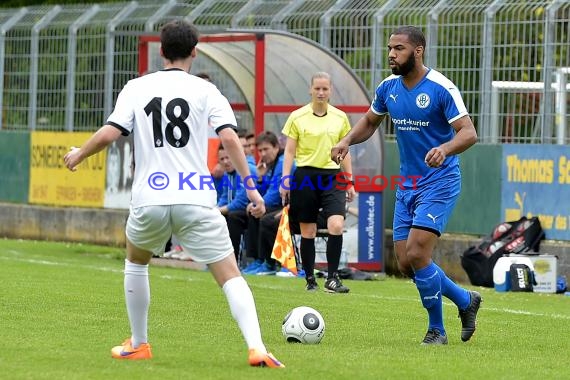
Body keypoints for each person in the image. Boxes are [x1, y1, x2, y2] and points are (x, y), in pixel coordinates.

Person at [63, 20, 284, 368]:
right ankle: (256, 346)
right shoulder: (206, 91)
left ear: (161, 52)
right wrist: (252, 189)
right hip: (195, 197)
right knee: (229, 274)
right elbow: (229, 138)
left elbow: (110, 133)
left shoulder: (137, 87)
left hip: (150, 197)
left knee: (136, 262)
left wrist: (79, 154)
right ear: (194, 51)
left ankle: (139, 343)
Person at [331, 26, 481, 345]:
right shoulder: (388, 88)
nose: (391, 54)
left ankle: (436, 330)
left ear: (417, 51)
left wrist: (445, 149)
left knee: (416, 252)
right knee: (405, 263)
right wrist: (346, 140)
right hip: (407, 184)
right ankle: (466, 301)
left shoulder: (441, 88)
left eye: (398, 48)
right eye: (389, 48)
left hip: (439, 182)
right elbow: (371, 122)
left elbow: (469, 133)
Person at [280, 71, 356, 293]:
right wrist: (285, 180)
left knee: (337, 224)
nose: (321, 92)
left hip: (333, 176)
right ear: (310, 90)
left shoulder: (340, 117)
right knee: (309, 231)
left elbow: (346, 151)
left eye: (325, 88)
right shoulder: (297, 116)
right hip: (305, 176)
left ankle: (333, 279)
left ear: (330, 91)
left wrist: (349, 180)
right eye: (317, 88)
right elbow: (290, 151)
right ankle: (310, 279)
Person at [241, 131, 288, 275]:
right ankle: (259, 260)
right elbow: (265, 190)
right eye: (260, 150)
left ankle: (268, 262)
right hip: (278, 204)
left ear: (276, 147)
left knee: (262, 215)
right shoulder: (270, 165)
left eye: (266, 149)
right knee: (253, 213)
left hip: (288, 205)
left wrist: (258, 203)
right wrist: (260, 178)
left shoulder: (282, 162)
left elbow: (274, 193)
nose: (262, 153)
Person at [217, 143, 257, 264]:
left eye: (228, 157)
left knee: (232, 216)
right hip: (241, 210)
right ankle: (217, 260)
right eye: (222, 159)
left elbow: (240, 202)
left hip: (252, 210)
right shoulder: (227, 174)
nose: (225, 162)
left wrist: (216, 211)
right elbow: (224, 198)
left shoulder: (246, 169)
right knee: (214, 218)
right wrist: (213, 210)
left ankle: (234, 262)